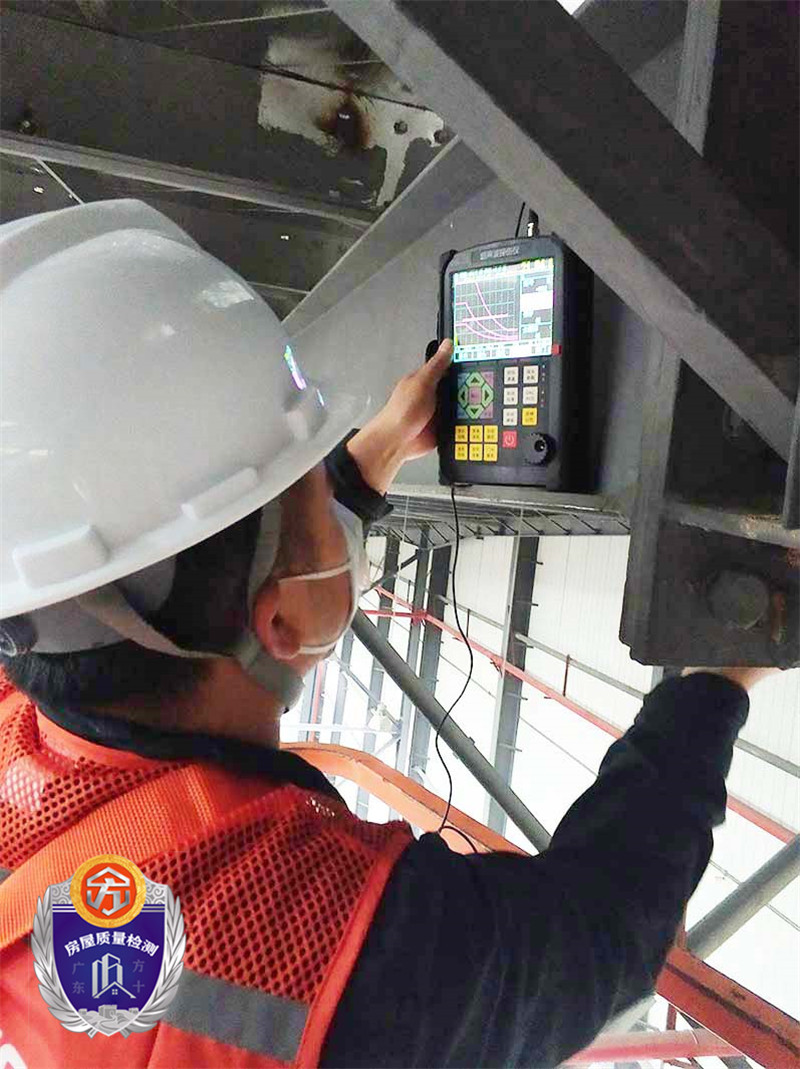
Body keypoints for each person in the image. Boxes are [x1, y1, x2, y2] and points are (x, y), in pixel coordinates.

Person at [0, 200, 776, 1069]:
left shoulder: (32, 662)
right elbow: (591, 937)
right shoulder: (293, 955)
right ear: (277, 618)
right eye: (309, 489)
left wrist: (362, 466)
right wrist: (718, 676)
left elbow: (164, 574)